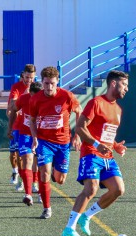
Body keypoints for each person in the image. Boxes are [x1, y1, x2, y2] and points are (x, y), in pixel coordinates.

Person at [62, 70, 129, 236]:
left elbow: (107, 134)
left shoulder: (118, 109)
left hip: (107, 157)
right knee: (91, 188)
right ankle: (69, 228)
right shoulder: (96, 103)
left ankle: (87, 216)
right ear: (113, 83)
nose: (126, 89)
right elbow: (79, 127)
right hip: (91, 153)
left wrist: (115, 146)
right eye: (124, 84)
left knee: (118, 190)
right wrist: (97, 145)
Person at [29, 66, 82, 219]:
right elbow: (32, 121)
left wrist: (77, 135)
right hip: (44, 142)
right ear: (42, 82)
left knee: (60, 180)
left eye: (52, 83)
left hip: (63, 143)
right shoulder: (36, 99)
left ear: (57, 82)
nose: (49, 87)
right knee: (43, 173)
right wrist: (34, 138)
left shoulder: (67, 96)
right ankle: (47, 208)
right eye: (46, 83)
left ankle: (54, 169)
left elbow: (79, 112)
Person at [8, 82, 43, 205]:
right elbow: (13, 110)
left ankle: (38, 189)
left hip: (42, 136)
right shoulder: (23, 98)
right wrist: (9, 128)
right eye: (32, 96)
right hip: (25, 135)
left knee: (40, 164)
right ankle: (28, 194)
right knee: (25, 160)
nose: (34, 100)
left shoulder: (47, 100)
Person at [7, 64, 36, 190]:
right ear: (23, 75)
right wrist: (24, 95)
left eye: (32, 77)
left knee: (32, 156)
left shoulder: (37, 87)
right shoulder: (16, 87)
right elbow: (13, 105)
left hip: (33, 126)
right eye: (27, 77)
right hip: (18, 126)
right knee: (15, 155)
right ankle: (15, 172)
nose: (29, 80)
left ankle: (31, 182)